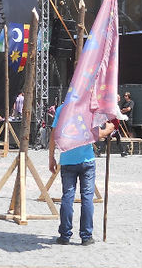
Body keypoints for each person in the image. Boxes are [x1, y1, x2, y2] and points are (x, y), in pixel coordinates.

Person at [49, 104, 115, 245]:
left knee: (67, 196)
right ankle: (86, 236)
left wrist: (51, 158)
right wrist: (109, 129)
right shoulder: (89, 108)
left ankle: (65, 235)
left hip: (67, 159)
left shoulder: (62, 109)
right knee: (87, 197)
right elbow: (95, 134)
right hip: (86, 159)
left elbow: (54, 134)